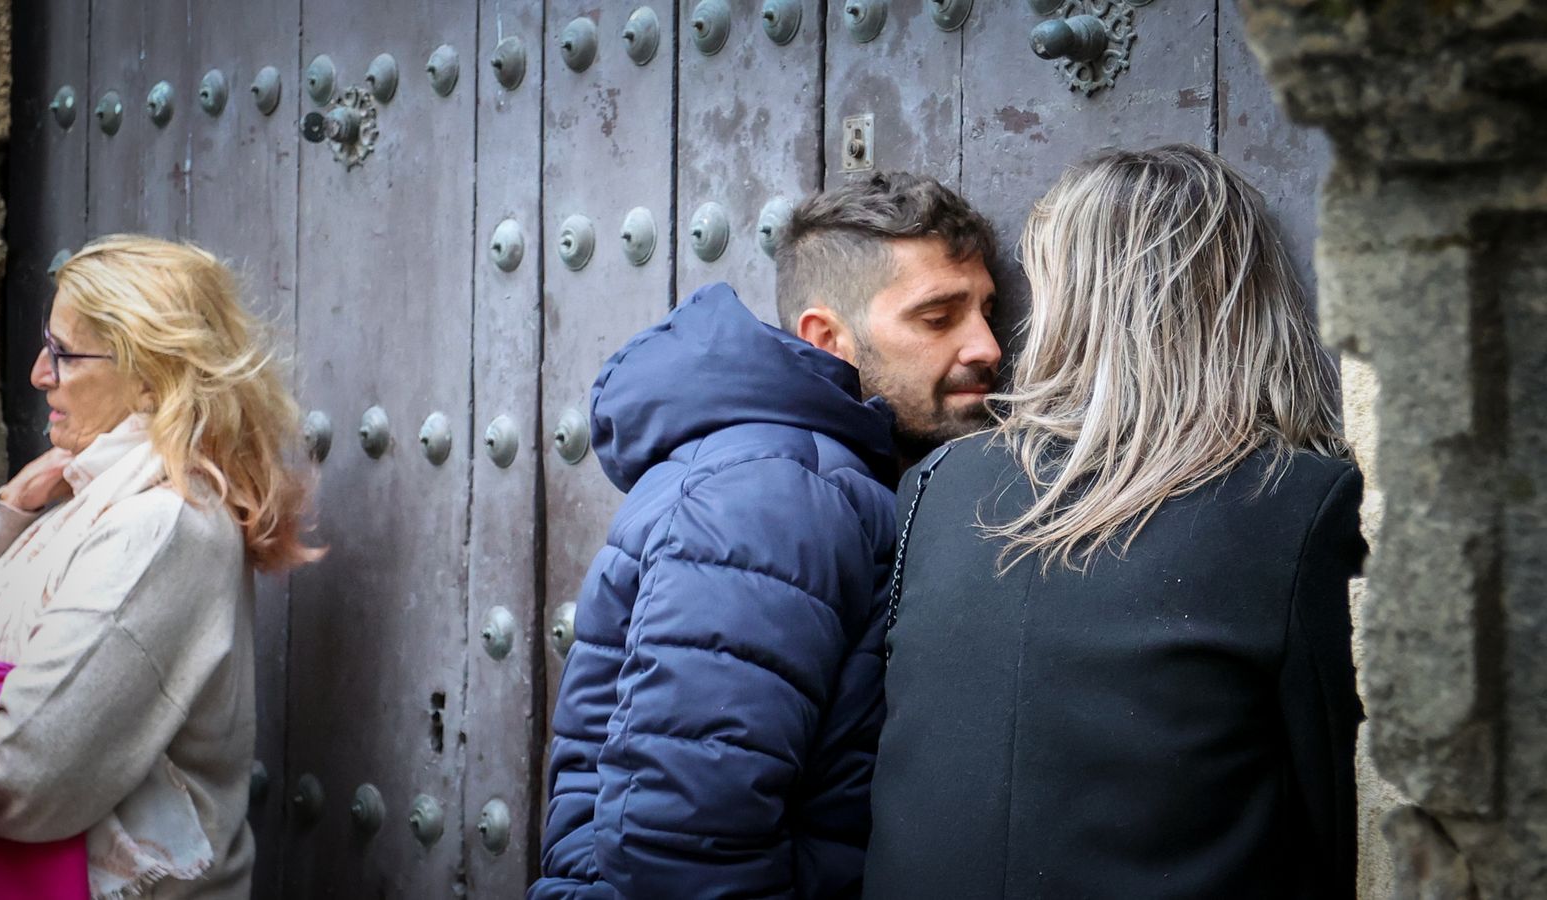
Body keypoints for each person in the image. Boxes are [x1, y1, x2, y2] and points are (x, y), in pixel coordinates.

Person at [865, 145, 1364, 898]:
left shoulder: (940, 483)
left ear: (1066, 300)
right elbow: (1338, 822)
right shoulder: (1297, 504)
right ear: (1244, 297)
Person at [531, 172, 1000, 899]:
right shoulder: (779, 487)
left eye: (986, 311)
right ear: (827, 337)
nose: (987, 347)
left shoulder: (808, 473)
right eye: (939, 318)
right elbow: (681, 843)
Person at [0, 235, 320, 898]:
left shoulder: (161, 523)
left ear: (150, 372)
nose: (39, 374)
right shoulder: (85, 494)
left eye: (62, 353)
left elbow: (25, 772)